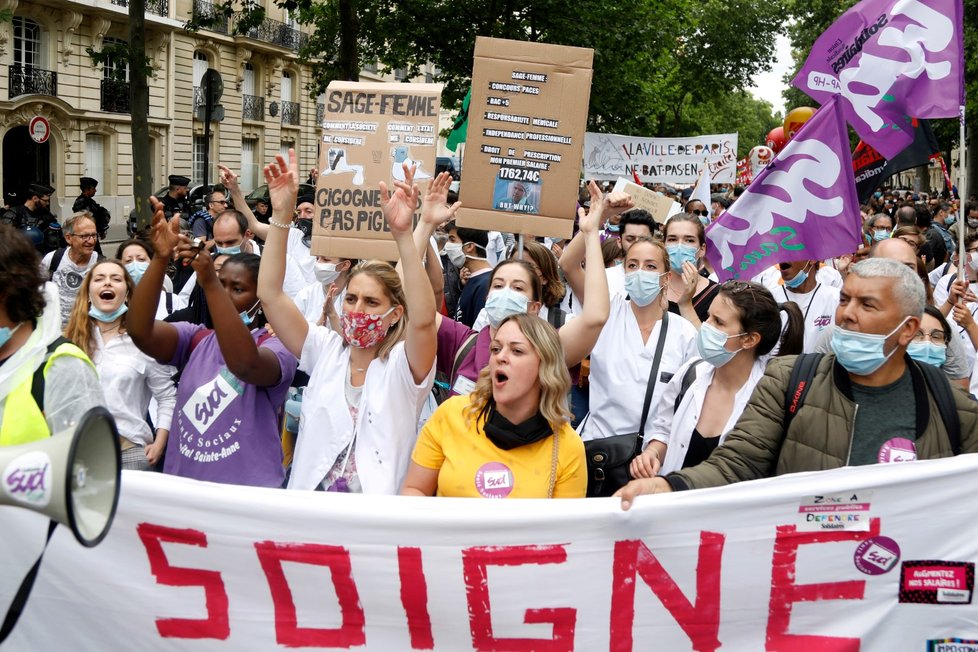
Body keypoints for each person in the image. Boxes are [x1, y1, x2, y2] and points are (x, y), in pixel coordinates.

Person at [616, 258, 978, 508]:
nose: (847, 314)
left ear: (908, 329)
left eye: (867, 305)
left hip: (895, 601)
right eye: (845, 299)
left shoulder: (952, 410)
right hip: (804, 584)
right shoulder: (790, 380)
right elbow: (736, 463)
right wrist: (668, 485)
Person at [257, 151, 436, 494]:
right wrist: (281, 216)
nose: (357, 310)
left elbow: (425, 321)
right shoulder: (324, 349)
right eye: (352, 299)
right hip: (311, 515)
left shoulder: (405, 366)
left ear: (395, 313)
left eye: (372, 302)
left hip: (373, 525)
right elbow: (270, 294)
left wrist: (404, 235)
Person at [127, 198, 297, 488]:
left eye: (238, 288)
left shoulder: (279, 347)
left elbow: (245, 364)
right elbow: (140, 332)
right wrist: (160, 257)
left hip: (247, 496)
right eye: (222, 284)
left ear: (263, 298)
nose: (225, 293)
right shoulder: (196, 339)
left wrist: (211, 282)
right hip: (186, 489)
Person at [432, 180, 621, 399]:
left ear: (534, 306)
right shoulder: (463, 342)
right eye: (499, 285)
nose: (506, 292)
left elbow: (596, 316)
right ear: (488, 295)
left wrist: (590, 232)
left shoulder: (547, 349)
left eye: (518, 287)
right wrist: (422, 227)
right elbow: (415, 311)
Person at [629, 282, 804, 477]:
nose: (706, 326)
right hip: (673, 501)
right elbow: (663, 428)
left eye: (718, 322)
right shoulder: (690, 373)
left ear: (749, 339)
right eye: (709, 317)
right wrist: (653, 453)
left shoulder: (767, 398)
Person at [401, 313, 586, 498]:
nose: (500, 357)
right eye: (496, 349)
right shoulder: (452, 414)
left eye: (517, 351)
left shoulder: (567, 446)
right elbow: (415, 490)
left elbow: (567, 526)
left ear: (545, 366)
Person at [566, 232, 699, 442]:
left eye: (650, 266)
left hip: (651, 459)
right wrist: (595, 223)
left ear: (666, 278)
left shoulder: (684, 333)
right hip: (598, 449)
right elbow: (569, 265)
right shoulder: (605, 312)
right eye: (633, 265)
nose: (640, 273)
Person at [64, 261, 176, 470]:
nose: (107, 284)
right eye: (99, 279)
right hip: (78, 454)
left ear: (127, 293)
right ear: (88, 293)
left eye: (116, 279)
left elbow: (167, 396)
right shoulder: (69, 340)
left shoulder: (143, 342)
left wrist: (159, 443)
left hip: (130, 454)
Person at [0, 224, 104, 446]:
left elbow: (89, 465)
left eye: (92, 235)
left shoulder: (63, 366)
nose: (89, 240)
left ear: (7, 290)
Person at [219, 163, 317, 297]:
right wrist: (234, 190)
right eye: (299, 212)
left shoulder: (332, 243)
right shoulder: (293, 236)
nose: (303, 216)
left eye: (309, 211)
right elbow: (254, 224)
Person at [765, 259, 840, 353]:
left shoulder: (836, 298)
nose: (783, 259)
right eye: (782, 253)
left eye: (790, 251)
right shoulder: (769, 299)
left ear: (812, 260)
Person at [42, 211, 101, 327]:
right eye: (84, 236)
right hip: (53, 333)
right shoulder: (53, 259)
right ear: (68, 238)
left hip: (85, 334)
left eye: (94, 235)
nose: (91, 241)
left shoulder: (101, 265)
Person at [662, 213, 719, 327]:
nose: (679, 246)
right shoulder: (649, 285)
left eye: (689, 240)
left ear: (702, 249)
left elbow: (707, 344)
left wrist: (686, 305)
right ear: (663, 245)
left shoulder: (717, 295)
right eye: (672, 239)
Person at [116, 239, 181, 319]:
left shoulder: (173, 301)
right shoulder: (114, 304)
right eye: (129, 261)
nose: (135, 265)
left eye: (141, 259)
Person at [447, 223, 493, 327]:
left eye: (452, 240)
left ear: (469, 247)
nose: (447, 245)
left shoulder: (485, 284)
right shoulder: (473, 279)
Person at [0, 183, 62, 254]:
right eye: (45, 201)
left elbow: (56, 239)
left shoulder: (46, 215)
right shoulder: (13, 214)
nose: (47, 203)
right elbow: (4, 239)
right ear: (35, 198)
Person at [72, 177, 111, 250]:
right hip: (86, 236)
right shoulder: (81, 202)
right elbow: (89, 218)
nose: (95, 190)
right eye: (93, 188)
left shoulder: (90, 201)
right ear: (87, 189)